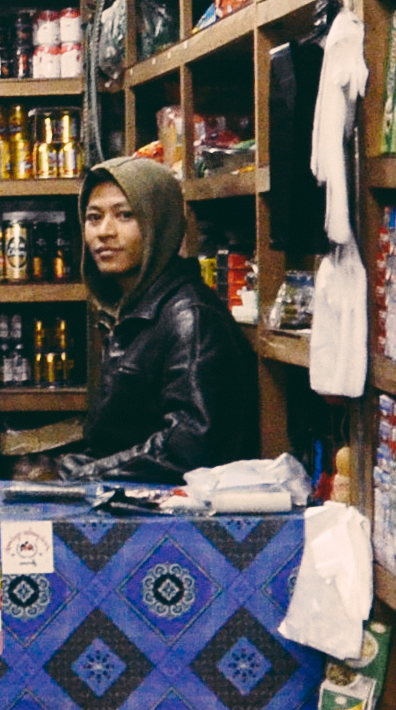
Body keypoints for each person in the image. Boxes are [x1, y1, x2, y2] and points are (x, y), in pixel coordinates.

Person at [45, 156, 257, 483]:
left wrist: (91, 472)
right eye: (93, 217)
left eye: (125, 215)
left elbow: (192, 447)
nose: (104, 232)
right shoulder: (134, 309)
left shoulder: (191, 317)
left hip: (177, 521)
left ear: (159, 222)